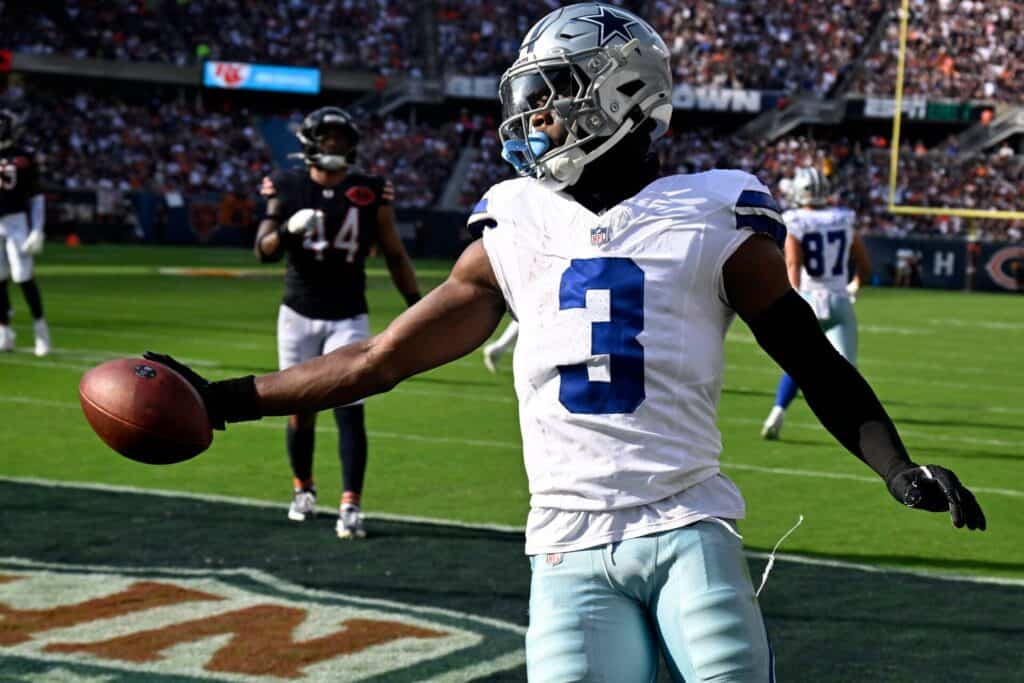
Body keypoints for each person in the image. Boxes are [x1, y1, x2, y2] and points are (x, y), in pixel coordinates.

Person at [145, 5, 986, 681]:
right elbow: (377, 360)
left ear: (618, 96)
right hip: (564, 545)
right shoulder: (514, 220)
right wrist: (221, 400)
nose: (532, 116)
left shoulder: (713, 213)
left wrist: (895, 463)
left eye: (552, 94)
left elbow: (811, 356)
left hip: (687, 523)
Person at [253, 106, 421, 539]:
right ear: (311, 142)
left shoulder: (369, 190)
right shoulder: (287, 185)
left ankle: (351, 504)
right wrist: (289, 230)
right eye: (327, 138)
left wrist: (415, 304)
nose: (335, 146)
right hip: (298, 313)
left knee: (350, 408)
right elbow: (263, 249)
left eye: (341, 139)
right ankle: (303, 489)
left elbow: (394, 252)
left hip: (348, 313)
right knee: (299, 410)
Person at [761, 167, 871, 440]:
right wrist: (854, 284)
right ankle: (852, 425)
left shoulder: (796, 220)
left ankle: (777, 412)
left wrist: (792, 298)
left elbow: (792, 264)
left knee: (799, 362)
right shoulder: (843, 218)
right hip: (838, 300)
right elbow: (864, 264)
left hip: (808, 298)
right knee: (847, 370)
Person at [0, 108, 50, 357]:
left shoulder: (24, 157)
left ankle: (41, 332)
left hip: (16, 221)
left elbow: (36, 195)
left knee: (23, 277)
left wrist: (37, 228)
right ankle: (4, 332)